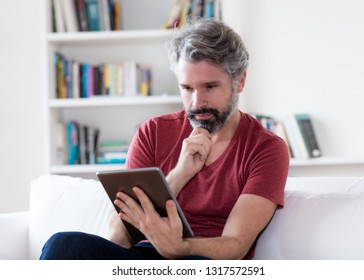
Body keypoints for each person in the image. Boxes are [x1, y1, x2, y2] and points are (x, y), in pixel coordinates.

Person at [40, 17, 289, 260]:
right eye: (187, 88)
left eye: (210, 87)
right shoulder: (153, 132)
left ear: (240, 81)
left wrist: (178, 248)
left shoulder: (266, 148)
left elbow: (235, 245)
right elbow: (118, 236)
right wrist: (179, 174)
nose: (196, 102)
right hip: (144, 256)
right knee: (64, 244)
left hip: (206, 262)